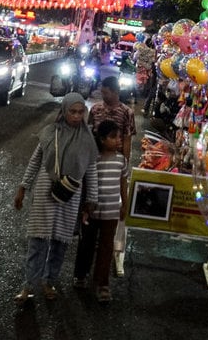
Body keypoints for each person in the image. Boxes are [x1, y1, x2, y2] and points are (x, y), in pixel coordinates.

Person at [13, 93, 99, 304]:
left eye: (81, 112)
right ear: (64, 111)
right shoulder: (51, 133)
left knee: (60, 243)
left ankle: (49, 281)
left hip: (70, 195)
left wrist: (91, 200)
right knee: (38, 241)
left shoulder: (87, 139)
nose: (77, 116)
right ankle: (28, 286)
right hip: (44, 190)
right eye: (73, 112)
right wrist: (23, 187)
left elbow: (91, 171)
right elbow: (36, 160)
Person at [72, 120, 128, 303]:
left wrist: (125, 204)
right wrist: (84, 206)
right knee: (86, 243)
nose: (118, 140)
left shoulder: (121, 160)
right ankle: (81, 274)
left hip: (111, 211)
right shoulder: (93, 159)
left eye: (119, 137)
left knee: (106, 247)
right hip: (93, 210)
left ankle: (102, 283)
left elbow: (123, 183)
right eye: (113, 137)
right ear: (102, 139)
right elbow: (87, 182)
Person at [87, 76, 137, 276]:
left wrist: (123, 163)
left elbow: (127, 139)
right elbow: (89, 134)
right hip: (93, 164)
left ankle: (101, 275)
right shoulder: (95, 110)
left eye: (105, 91)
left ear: (115, 91)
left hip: (114, 166)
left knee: (107, 228)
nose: (102, 94)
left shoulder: (126, 113)